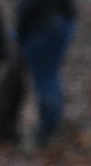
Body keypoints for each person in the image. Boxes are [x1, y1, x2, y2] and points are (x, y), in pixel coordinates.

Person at [17, 0, 76, 146]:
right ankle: (53, 124)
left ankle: (49, 128)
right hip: (61, 23)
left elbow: (27, 9)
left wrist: (21, 34)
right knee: (50, 75)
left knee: (45, 79)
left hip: (42, 28)